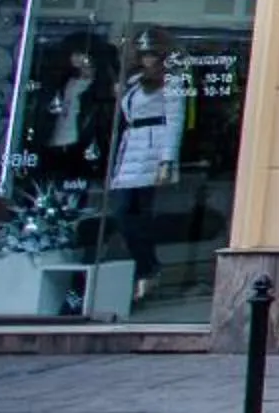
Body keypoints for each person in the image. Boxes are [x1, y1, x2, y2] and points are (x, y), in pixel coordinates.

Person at [106, 30, 185, 307]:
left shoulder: (170, 82)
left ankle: (147, 267)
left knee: (134, 213)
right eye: (144, 54)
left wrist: (167, 160)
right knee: (124, 214)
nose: (147, 59)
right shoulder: (134, 83)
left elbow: (175, 121)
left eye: (152, 53)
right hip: (131, 150)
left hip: (151, 152)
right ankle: (147, 266)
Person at [23, 35, 115, 183]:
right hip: (51, 144)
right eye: (75, 54)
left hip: (79, 147)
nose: (77, 59)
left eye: (81, 54)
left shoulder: (101, 89)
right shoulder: (62, 82)